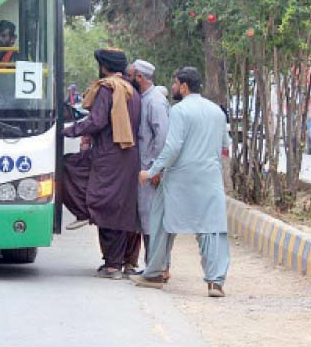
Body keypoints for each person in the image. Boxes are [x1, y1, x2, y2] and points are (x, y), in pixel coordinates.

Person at [130, 67, 230, 298]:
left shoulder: (180, 111)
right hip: (210, 178)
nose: (173, 88)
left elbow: (172, 147)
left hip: (179, 179)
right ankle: (215, 282)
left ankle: (154, 273)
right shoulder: (216, 111)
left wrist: (151, 171)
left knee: (161, 220)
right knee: (212, 229)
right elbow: (225, 145)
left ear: (184, 86)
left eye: (175, 83)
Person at [62, 48, 141, 279]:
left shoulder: (109, 89)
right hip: (128, 158)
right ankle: (120, 262)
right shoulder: (131, 91)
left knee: (103, 204)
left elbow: (95, 122)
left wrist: (68, 131)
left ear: (104, 66)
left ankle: (112, 265)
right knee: (118, 208)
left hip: (109, 157)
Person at [125, 59, 170, 277]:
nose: (129, 79)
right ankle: (152, 266)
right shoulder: (144, 99)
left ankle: (157, 269)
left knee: (152, 220)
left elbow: (162, 137)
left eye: (131, 75)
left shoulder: (155, 101)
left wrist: (155, 169)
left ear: (139, 77)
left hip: (150, 171)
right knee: (145, 219)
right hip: (144, 170)